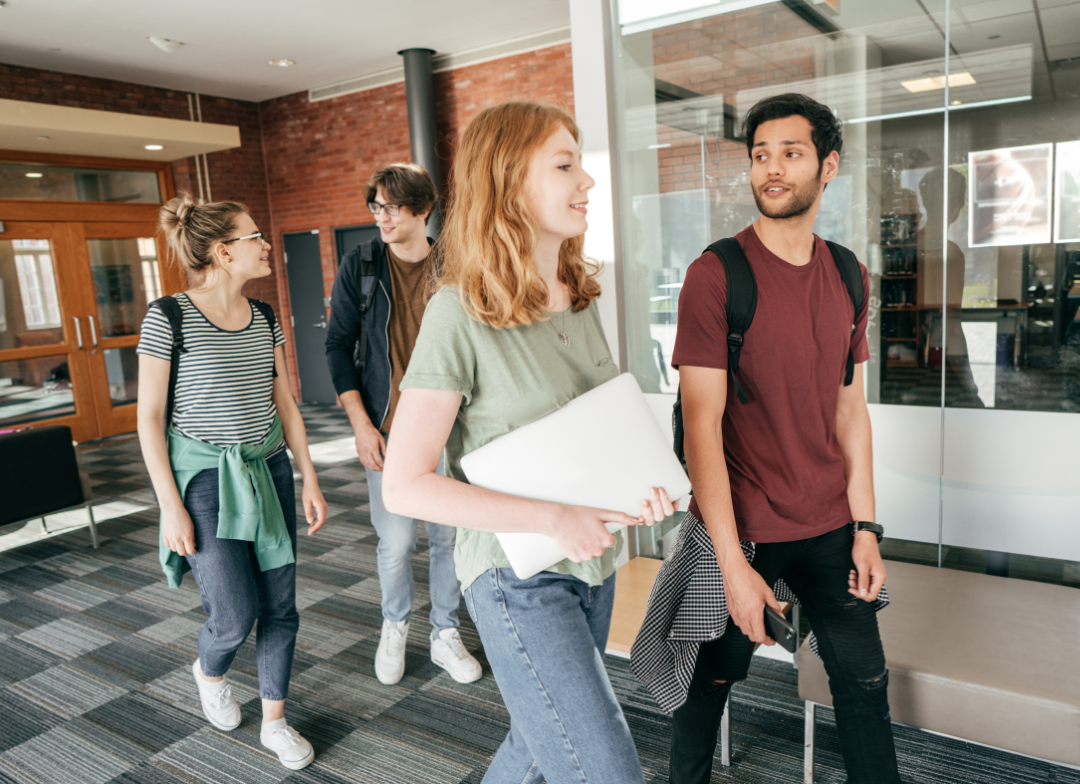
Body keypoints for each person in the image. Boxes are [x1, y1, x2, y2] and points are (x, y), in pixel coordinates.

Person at [380, 101, 678, 784]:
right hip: (517, 577)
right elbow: (404, 485)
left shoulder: (579, 294)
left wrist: (637, 490)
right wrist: (552, 517)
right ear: (510, 181)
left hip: (592, 566)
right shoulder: (458, 311)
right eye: (565, 165)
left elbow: (584, 432)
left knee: (542, 744)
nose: (587, 181)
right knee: (606, 771)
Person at [632, 93, 902, 784]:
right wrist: (732, 569)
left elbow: (850, 412)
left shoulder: (849, 274)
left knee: (866, 685)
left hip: (830, 523)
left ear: (828, 166)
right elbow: (701, 428)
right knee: (708, 687)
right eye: (760, 155)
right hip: (743, 527)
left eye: (791, 153)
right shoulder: (716, 275)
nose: (772, 169)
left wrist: (867, 528)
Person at [136, 194, 328, 770]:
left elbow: (285, 403)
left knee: (280, 605)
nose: (266, 246)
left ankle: (275, 721)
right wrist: (170, 507)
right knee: (234, 614)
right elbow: (149, 418)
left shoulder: (265, 317)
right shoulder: (167, 317)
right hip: (204, 478)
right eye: (255, 237)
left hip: (267, 468)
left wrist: (309, 478)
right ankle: (210, 671)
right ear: (223, 252)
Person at [324, 163, 482, 685]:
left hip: (451, 430)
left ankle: (444, 632)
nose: (382, 217)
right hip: (388, 430)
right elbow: (337, 346)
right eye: (377, 207)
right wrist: (360, 424)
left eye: (392, 207)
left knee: (447, 539)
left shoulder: (455, 265)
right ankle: (394, 625)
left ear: (423, 209)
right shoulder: (362, 266)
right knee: (395, 543)